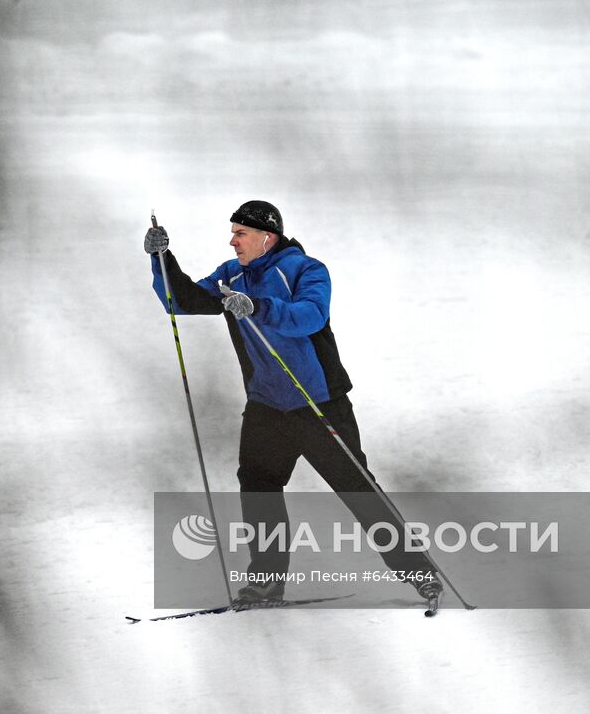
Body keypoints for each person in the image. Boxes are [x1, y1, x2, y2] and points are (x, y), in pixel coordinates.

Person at [145, 200, 441, 609]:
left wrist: (260, 307)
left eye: (240, 233)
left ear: (267, 237)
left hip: (318, 404)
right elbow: (184, 301)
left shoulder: (306, 270)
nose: (232, 241)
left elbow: (310, 316)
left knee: (357, 489)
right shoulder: (233, 276)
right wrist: (162, 259)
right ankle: (266, 584)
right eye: (232, 233)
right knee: (259, 488)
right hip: (267, 407)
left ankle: (422, 575)